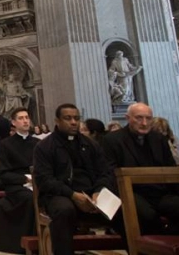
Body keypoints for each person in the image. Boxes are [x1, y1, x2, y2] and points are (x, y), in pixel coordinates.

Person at [101, 103, 179, 236]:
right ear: (128, 118)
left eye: (148, 118)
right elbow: (111, 172)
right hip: (131, 192)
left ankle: (168, 243)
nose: (144, 123)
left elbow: (171, 170)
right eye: (139, 118)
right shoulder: (112, 140)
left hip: (160, 193)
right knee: (147, 217)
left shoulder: (159, 139)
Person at [33, 103, 121, 255]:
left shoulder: (91, 144)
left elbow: (105, 172)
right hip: (60, 195)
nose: (73, 122)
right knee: (64, 210)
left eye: (76, 118)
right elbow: (45, 180)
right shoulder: (45, 146)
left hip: (93, 194)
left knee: (125, 208)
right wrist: (72, 195)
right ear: (57, 121)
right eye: (68, 118)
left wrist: (99, 191)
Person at [0, 107, 38, 253]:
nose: (25, 121)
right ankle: (29, 240)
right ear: (13, 122)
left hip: (38, 183)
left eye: (27, 117)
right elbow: (4, 174)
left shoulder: (39, 143)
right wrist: (25, 179)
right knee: (30, 199)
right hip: (17, 186)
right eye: (21, 118)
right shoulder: (6, 144)